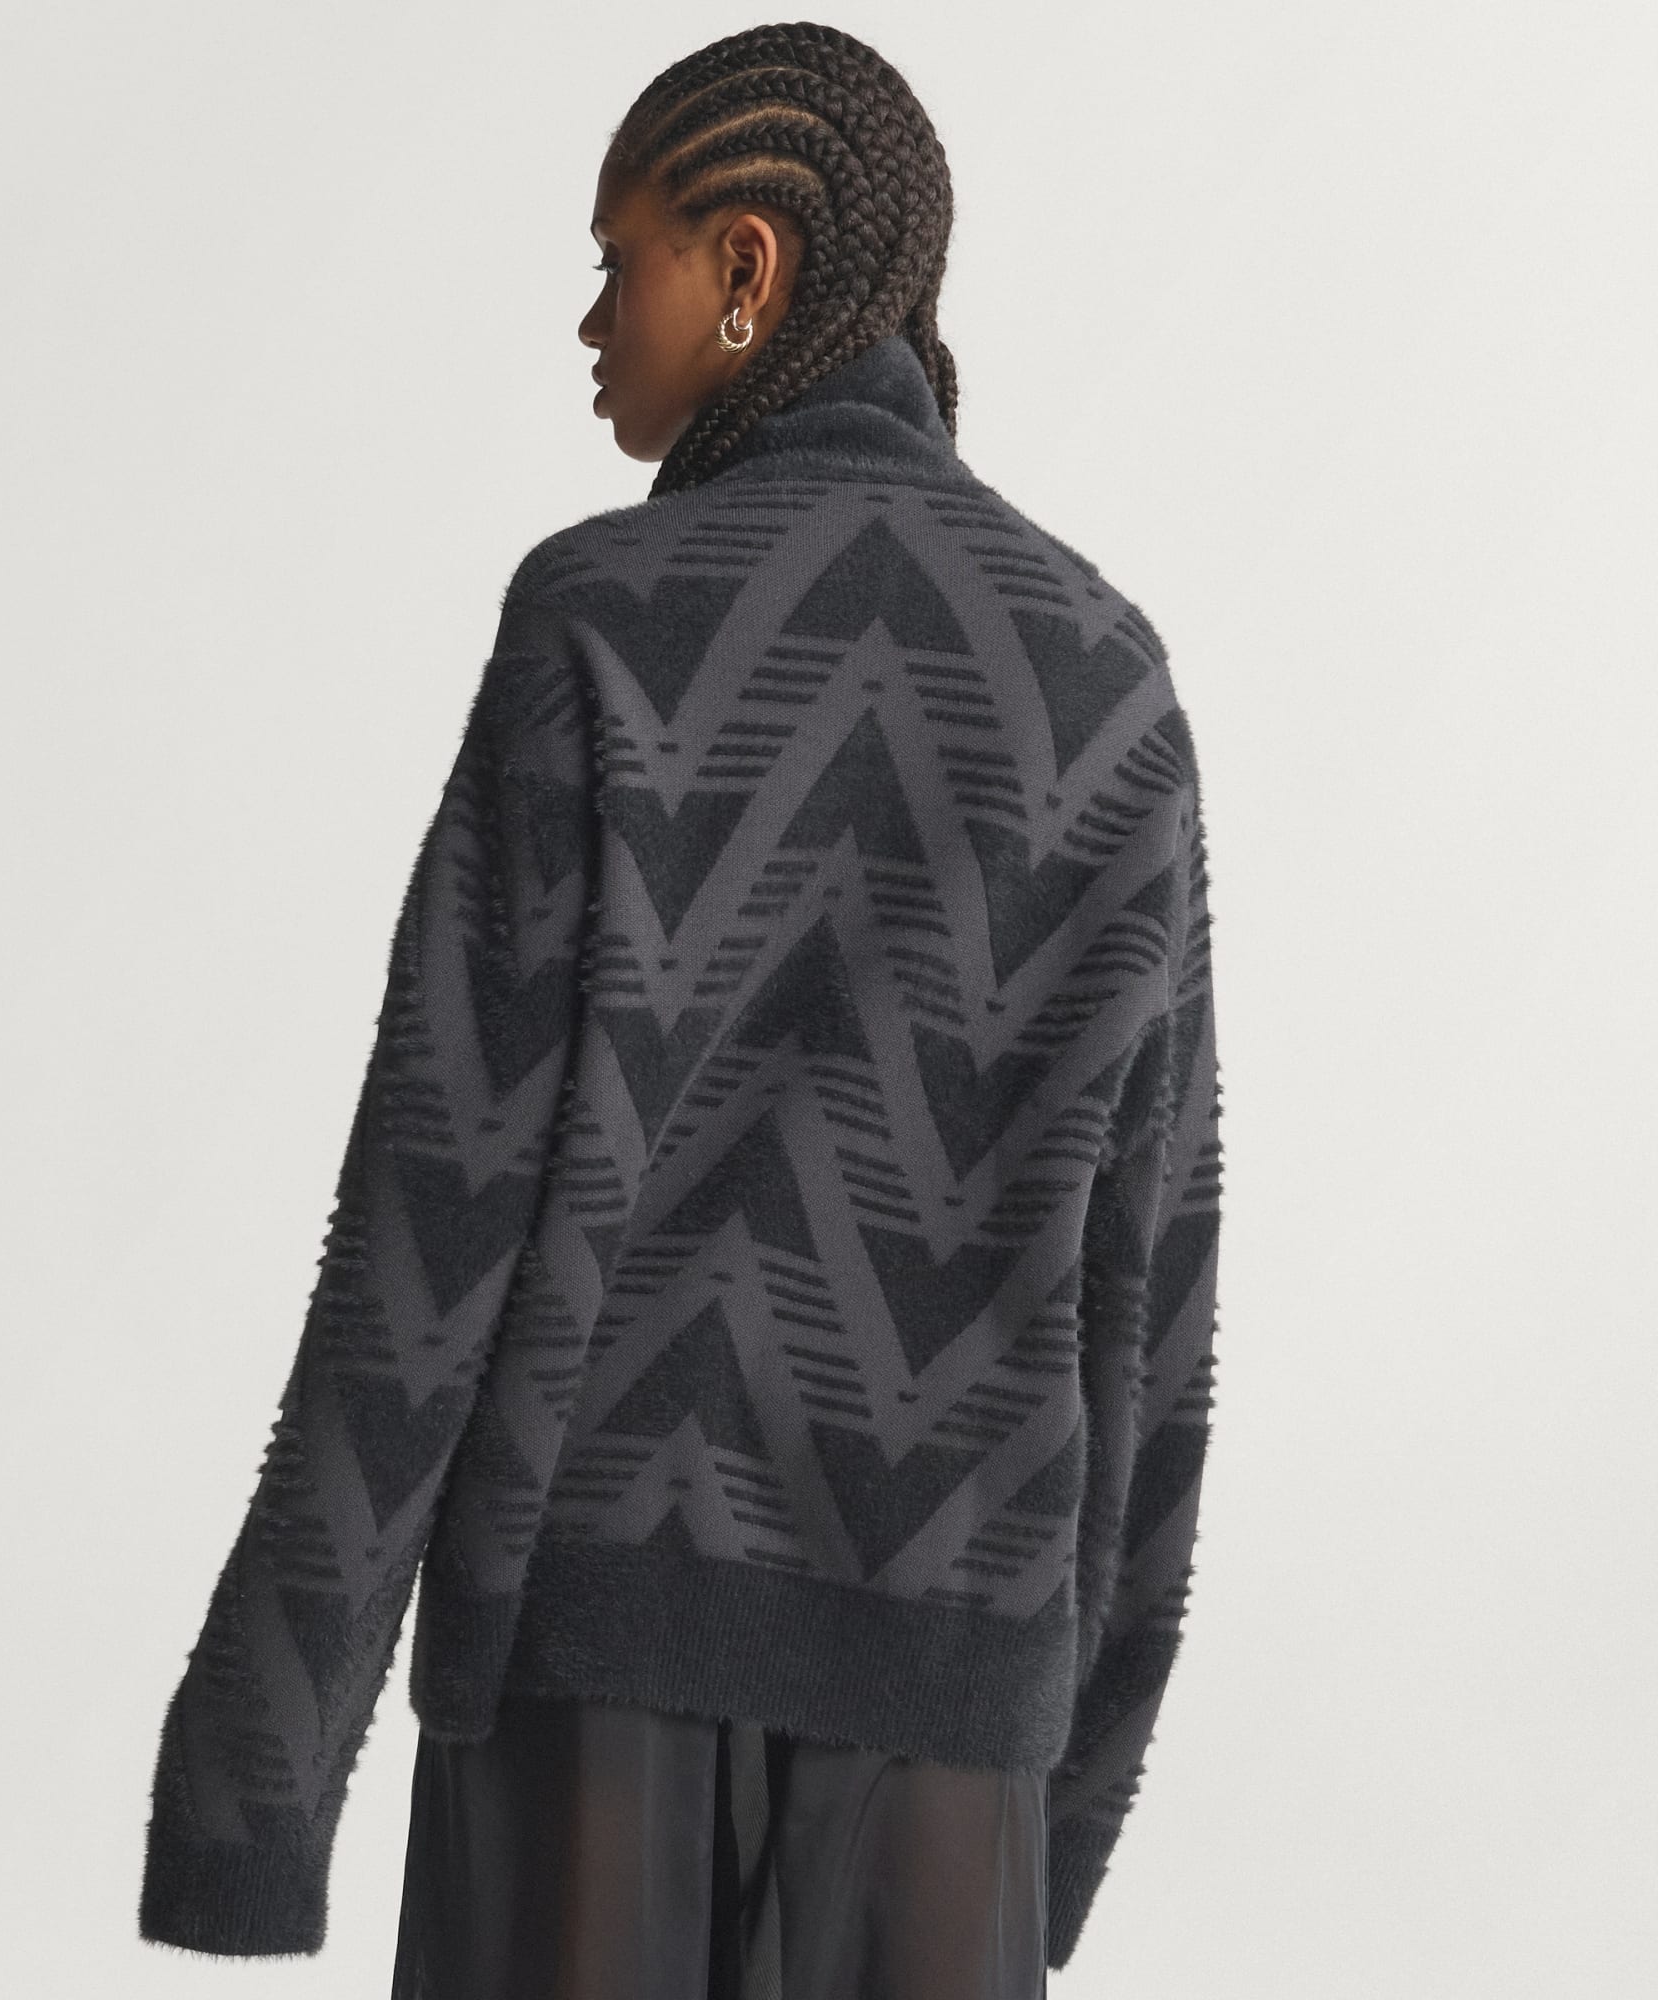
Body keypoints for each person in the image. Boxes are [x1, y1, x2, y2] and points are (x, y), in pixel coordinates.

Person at [138, 22, 1223, 1997]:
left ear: (746, 266)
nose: (586, 320)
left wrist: (254, 1773)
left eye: (614, 256)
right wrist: (1065, 1806)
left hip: (586, 1698)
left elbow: (433, 1219)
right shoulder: (1106, 680)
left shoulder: (605, 621)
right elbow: (1148, 1297)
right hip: (953, 1726)